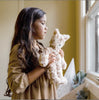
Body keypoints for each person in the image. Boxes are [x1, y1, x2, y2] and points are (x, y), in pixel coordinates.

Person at [4, 7, 61, 99]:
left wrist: (58, 60)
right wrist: (42, 67)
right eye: (42, 23)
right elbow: (15, 83)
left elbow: (51, 78)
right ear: (30, 25)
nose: (46, 28)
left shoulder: (41, 48)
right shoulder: (19, 50)